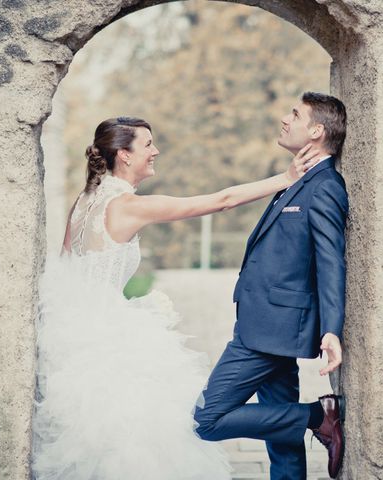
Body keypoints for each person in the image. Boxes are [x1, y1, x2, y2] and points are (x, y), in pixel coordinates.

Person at [31, 116, 320, 480]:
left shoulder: (83, 200)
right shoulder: (126, 205)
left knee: (100, 434)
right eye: (147, 144)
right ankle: (315, 417)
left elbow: (67, 264)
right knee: (154, 431)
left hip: (74, 332)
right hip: (108, 336)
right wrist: (285, 179)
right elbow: (222, 201)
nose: (155, 151)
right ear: (124, 155)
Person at [193, 92, 349, 480]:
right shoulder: (300, 179)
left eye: (294, 114)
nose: (285, 118)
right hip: (267, 323)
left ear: (316, 131)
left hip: (269, 332)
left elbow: (331, 262)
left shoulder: (326, 185)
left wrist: (331, 329)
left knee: (206, 419)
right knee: (281, 438)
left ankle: (318, 416)